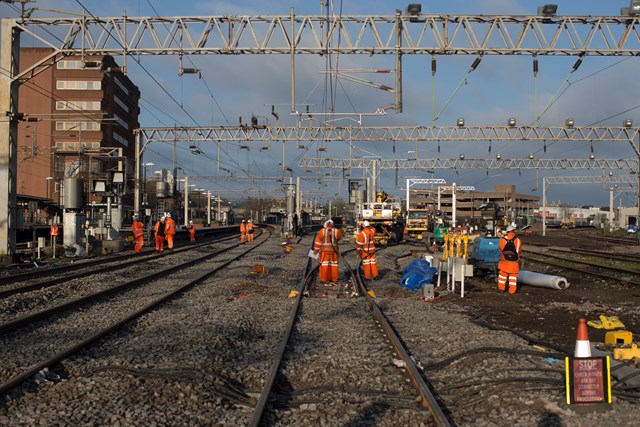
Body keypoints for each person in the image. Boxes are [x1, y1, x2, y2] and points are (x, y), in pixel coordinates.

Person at [313, 219, 343, 283]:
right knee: (334, 265)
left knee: (324, 265)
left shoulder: (322, 231)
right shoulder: (337, 231)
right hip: (334, 251)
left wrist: (315, 251)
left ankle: (323, 279)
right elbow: (339, 237)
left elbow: (318, 242)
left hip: (324, 252)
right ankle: (334, 279)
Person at [497, 224, 522, 294]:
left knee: (502, 276)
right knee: (513, 277)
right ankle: (512, 291)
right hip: (514, 262)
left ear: (507, 231)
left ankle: (501, 289)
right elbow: (519, 251)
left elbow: (501, 248)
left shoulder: (503, 239)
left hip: (504, 262)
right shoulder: (518, 240)